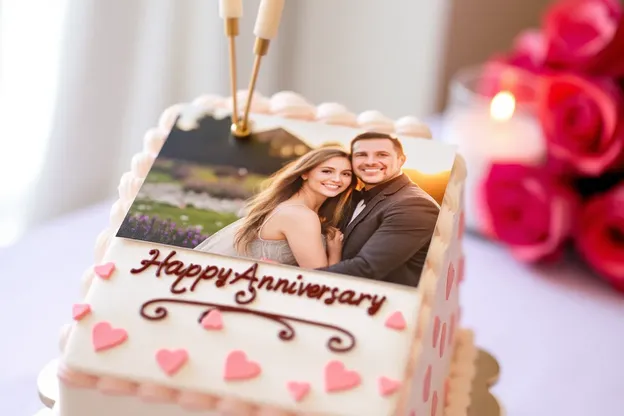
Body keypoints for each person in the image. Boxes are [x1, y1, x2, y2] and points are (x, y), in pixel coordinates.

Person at [194, 147, 356, 268]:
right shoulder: (300, 215)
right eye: (327, 171)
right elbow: (320, 280)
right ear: (305, 173)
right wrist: (335, 252)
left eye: (346, 174)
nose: (337, 179)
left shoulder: (292, 207)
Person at [317, 132, 440, 287]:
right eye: (361, 154)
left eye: (382, 154)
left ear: (401, 160)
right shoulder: (348, 196)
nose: (370, 162)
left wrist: (294, 277)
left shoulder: (414, 205)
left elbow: (366, 268)